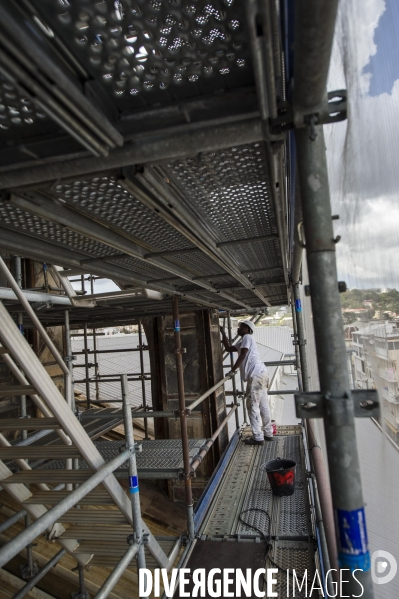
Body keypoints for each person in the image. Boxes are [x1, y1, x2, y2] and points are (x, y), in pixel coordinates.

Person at [220, 320, 273, 445]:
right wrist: (223, 333)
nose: (239, 329)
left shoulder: (247, 337)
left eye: (242, 327)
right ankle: (268, 433)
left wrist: (232, 371)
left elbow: (242, 355)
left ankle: (258, 437)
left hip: (256, 376)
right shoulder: (243, 341)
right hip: (261, 375)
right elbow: (228, 348)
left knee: (252, 406)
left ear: (248, 329)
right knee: (263, 405)